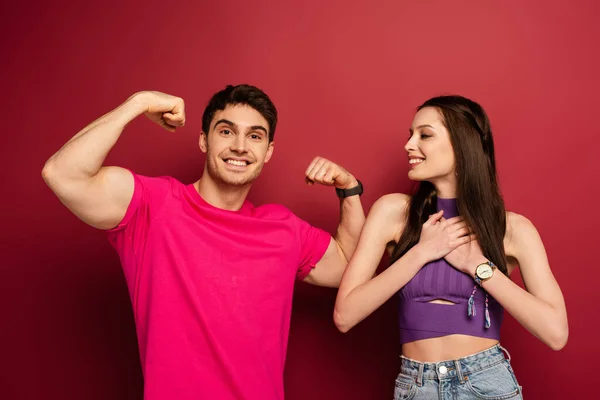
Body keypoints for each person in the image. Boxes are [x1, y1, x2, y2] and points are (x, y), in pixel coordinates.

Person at [42, 84, 366, 400]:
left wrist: (349, 191)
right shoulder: (153, 206)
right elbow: (63, 173)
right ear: (203, 140)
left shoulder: (283, 229)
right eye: (226, 131)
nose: (240, 146)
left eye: (254, 136)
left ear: (268, 151)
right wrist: (137, 103)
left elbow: (349, 268)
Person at [333, 95, 568, 399]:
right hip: (416, 385)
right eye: (411, 134)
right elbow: (345, 315)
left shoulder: (512, 229)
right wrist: (421, 252)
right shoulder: (392, 212)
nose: (409, 145)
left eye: (425, 135)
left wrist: (479, 267)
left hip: (486, 382)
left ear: (461, 144)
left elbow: (556, 332)